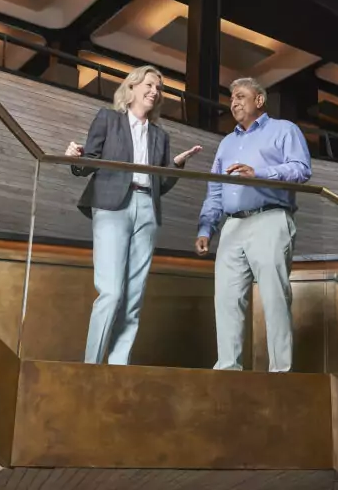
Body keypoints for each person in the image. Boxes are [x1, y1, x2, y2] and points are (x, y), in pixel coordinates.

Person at [67, 65, 202, 366]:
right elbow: (88, 162)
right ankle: (89, 367)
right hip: (112, 206)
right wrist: (74, 158)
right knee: (111, 292)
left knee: (132, 300)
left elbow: (161, 185)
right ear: (131, 88)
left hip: (147, 211)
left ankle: (117, 368)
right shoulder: (108, 119)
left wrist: (176, 165)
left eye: (159, 88)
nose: (155, 92)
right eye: (150, 85)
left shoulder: (160, 136)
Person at [195, 77, 312, 373]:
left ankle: (280, 373)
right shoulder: (227, 143)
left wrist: (259, 173)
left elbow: (301, 169)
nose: (234, 102)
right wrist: (207, 228)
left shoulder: (284, 130)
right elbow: (216, 189)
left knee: (274, 297)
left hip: (270, 219)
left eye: (240, 96)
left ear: (259, 100)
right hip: (232, 226)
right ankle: (227, 369)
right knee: (226, 299)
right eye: (231, 97)